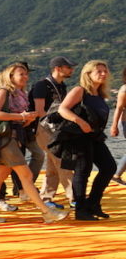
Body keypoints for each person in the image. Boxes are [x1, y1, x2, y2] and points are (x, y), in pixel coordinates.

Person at [0, 62, 62, 223]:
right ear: (10, 77)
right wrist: (22, 117)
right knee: (26, 175)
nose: (25, 77)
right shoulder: (4, 92)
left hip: (14, 137)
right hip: (5, 139)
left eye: (26, 74)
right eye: (21, 74)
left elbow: (14, 116)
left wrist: (25, 118)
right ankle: (46, 212)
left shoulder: (20, 93)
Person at [58, 60, 116, 221]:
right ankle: (81, 209)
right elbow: (62, 109)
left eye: (105, 71)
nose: (103, 74)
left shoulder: (100, 94)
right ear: (88, 74)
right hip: (79, 137)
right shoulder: (80, 91)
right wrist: (80, 121)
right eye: (99, 71)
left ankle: (93, 203)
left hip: (95, 137)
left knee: (109, 167)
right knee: (83, 171)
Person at [30, 57, 76, 207]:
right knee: (62, 160)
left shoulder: (62, 86)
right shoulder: (41, 85)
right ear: (57, 68)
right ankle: (75, 197)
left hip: (57, 128)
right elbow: (39, 111)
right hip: (43, 128)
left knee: (52, 163)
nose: (71, 70)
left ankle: (46, 198)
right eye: (68, 67)